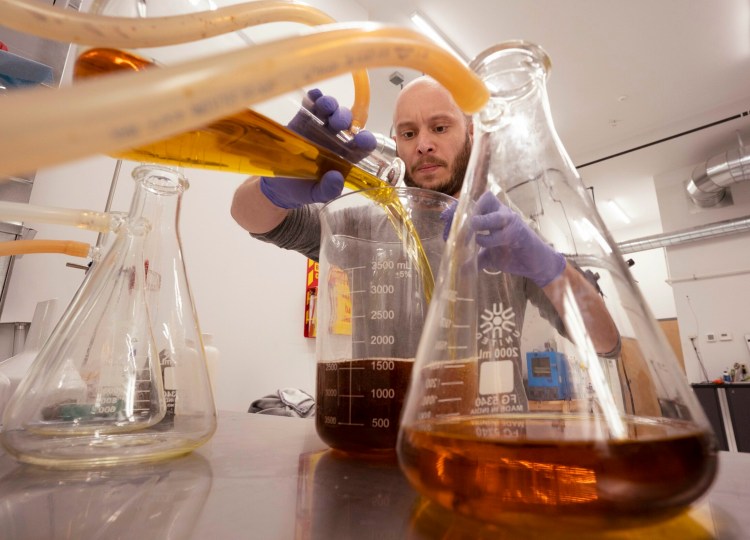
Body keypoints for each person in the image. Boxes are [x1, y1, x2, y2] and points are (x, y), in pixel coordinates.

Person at [231, 78, 621, 357]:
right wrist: (276, 183)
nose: (424, 144)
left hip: (482, 447)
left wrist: (549, 267)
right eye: (408, 133)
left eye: (439, 127)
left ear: (470, 132)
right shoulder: (365, 223)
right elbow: (250, 217)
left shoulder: (505, 232)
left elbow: (606, 343)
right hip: (381, 446)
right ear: (396, 141)